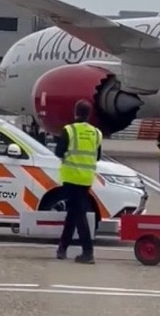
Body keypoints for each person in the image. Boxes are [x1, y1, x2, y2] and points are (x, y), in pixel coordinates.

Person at [52, 100, 102, 264]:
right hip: (86, 178)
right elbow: (98, 156)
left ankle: (88, 252)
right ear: (88, 114)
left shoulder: (69, 130)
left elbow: (59, 152)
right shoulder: (96, 133)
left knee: (78, 214)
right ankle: (62, 248)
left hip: (71, 177)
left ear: (75, 112)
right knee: (73, 213)